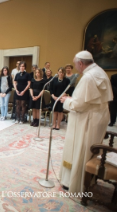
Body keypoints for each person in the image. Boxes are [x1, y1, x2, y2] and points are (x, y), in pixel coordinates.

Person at [59, 50, 113, 193]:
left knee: (81, 148)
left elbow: (79, 105)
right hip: (98, 117)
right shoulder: (100, 71)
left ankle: (76, 183)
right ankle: (89, 179)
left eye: (76, 65)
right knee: (91, 150)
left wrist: (66, 101)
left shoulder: (88, 77)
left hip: (87, 119)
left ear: (81, 63)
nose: (76, 68)